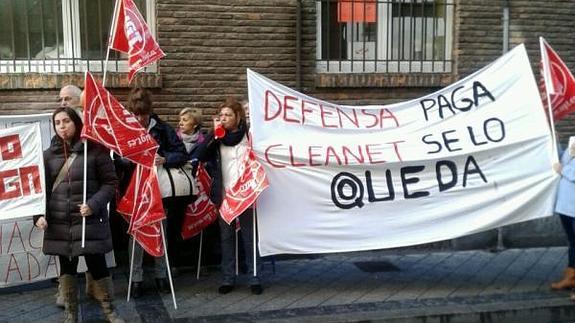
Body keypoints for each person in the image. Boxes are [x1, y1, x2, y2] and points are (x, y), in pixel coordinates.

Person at [34, 107, 123, 323]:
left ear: (76, 122)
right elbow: (38, 190)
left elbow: (111, 183)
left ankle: (111, 312)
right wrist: (38, 216)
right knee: (67, 269)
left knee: (97, 265)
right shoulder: (46, 156)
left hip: (88, 221)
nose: (62, 126)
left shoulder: (96, 151)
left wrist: (93, 204)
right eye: (57, 122)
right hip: (59, 222)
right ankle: (70, 313)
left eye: (66, 121)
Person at [115, 88, 188, 298]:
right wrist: (127, 160)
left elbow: (181, 153)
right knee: (136, 234)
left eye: (143, 115)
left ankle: (161, 276)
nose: (139, 119)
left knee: (160, 232)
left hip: (158, 190)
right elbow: (115, 158)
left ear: (150, 111)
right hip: (133, 191)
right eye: (136, 115)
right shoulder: (125, 129)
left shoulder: (163, 129)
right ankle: (135, 279)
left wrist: (164, 159)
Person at [195, 97, 263, 295]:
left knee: (249, 236)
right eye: (221, 115)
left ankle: (254, 276)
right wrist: (213, 135)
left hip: (246, 194)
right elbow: (199, 155)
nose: (223, 118)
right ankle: (228, 277)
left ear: (238, 117)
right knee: (226, 237)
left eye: (228, 115)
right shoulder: (218, 139)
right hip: (224, 195)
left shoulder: (248, 135)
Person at [550, 139, 575, 298]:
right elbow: (559, 160)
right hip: (565, 205)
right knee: (573, 242)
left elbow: (564, 169)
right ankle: (571, 278)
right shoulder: (573, 141)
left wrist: (563, 170)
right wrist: (554, 140)